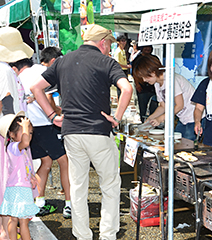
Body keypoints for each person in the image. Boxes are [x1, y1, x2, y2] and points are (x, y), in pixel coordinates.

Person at [30, 24, 132, 240]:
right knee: (110, 185)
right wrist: (117, 117)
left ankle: (82, 234)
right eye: (109, 45)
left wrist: (51, 116)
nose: (108, 49)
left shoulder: (63, 61)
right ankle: (107, 235)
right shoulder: (107, 62)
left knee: (78, 186)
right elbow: (127, 88)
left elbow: (36, 88)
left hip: (71, 132)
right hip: (98, 131)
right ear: (103, 42)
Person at [10, 47, 71, 219]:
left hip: (28, 126)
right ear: (53, 61)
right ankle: (69, 204)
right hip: (45, 124)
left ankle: (39, 202)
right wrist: (57, 114)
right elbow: (50, 98)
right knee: (64, 162)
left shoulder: (18, 76)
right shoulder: (43, 71)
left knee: (45, 162)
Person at [0, 26, 34, 240]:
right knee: (6, 181)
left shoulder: (4, 69)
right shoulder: (4, 71)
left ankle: (6, 228)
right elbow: (7, 104)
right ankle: (5, 230)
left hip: (7, 131)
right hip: (8, 132)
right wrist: (17, 130)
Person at [132, 54, 201, 140]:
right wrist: (150, 119)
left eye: (145, 76)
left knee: (184, 147)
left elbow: (179, 105)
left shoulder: (171, 79)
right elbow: (162, 106)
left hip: (193, 117)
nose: (144, 80)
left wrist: (160, 119)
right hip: (183, 119)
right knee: (176, 143)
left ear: (152, 72)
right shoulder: (157, 84)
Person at [0, 111, 39, 240]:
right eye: (23, 132)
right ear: (11, 134)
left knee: (15, 219)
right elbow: (26, 142)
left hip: (19, 188)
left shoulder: (22, 150)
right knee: (22, 221)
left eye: (30, 132)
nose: (28, 135)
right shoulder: (14, 147)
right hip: (19, 189)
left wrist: (31, 178)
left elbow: (24, 169)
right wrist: (26, 128)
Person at [132, 45, 157, 122]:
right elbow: (134, 73)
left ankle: (153, 123)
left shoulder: (154, 58)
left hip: (154, 87)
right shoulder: (137, 59)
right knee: (143, 106)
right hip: (142, 87)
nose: (147, 49)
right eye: (145, 47)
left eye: (149, 47)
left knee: (154, 106)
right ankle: (144, 122)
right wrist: (137, 84)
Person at [113, 35, 131, 99]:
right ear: (118, 42)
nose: (124, 43)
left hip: (125, 71)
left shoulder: (123, 50)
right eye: (122, 41)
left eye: (125, 41)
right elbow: (117, 63)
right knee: (121, 89)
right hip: (121, 71)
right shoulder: (118, 51)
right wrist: (126, 66)